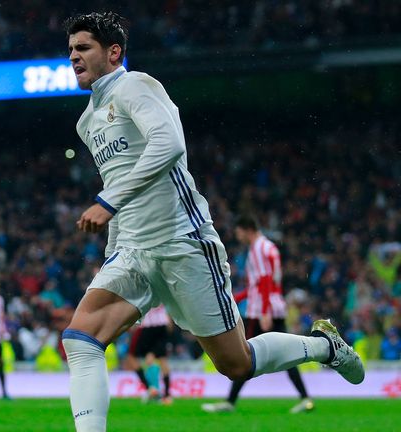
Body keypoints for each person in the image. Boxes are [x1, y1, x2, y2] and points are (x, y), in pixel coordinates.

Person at [60, 12, 364, 431]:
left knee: (236, 364)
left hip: (182, 243)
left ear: (113, 52)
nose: (74, 56)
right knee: (80, 340)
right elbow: (118, 180)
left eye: (84, 47)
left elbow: (168, 144)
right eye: (71, 49)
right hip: (132, 252)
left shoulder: (135, 85)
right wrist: (113, 244)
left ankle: (323, 347)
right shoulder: (86, 121)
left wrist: (107, 202)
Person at [202, 215, 313, 414]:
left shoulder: (259, 248)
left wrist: (263, 312)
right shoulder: (267, 246)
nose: (238, 236)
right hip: (273, 306)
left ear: (247, 229)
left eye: (238, 232)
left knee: (243, 354)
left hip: (262, 309)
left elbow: (264, 280)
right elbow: (259, 284)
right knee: (285, 353)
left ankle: (230, 401)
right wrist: (238, 297)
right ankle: (305, 399)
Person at [122, 304, 172, 405]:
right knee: (161, 360)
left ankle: (150, 388)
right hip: (162, 325)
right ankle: (166, 395)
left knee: (132, 357)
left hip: (147, 326)